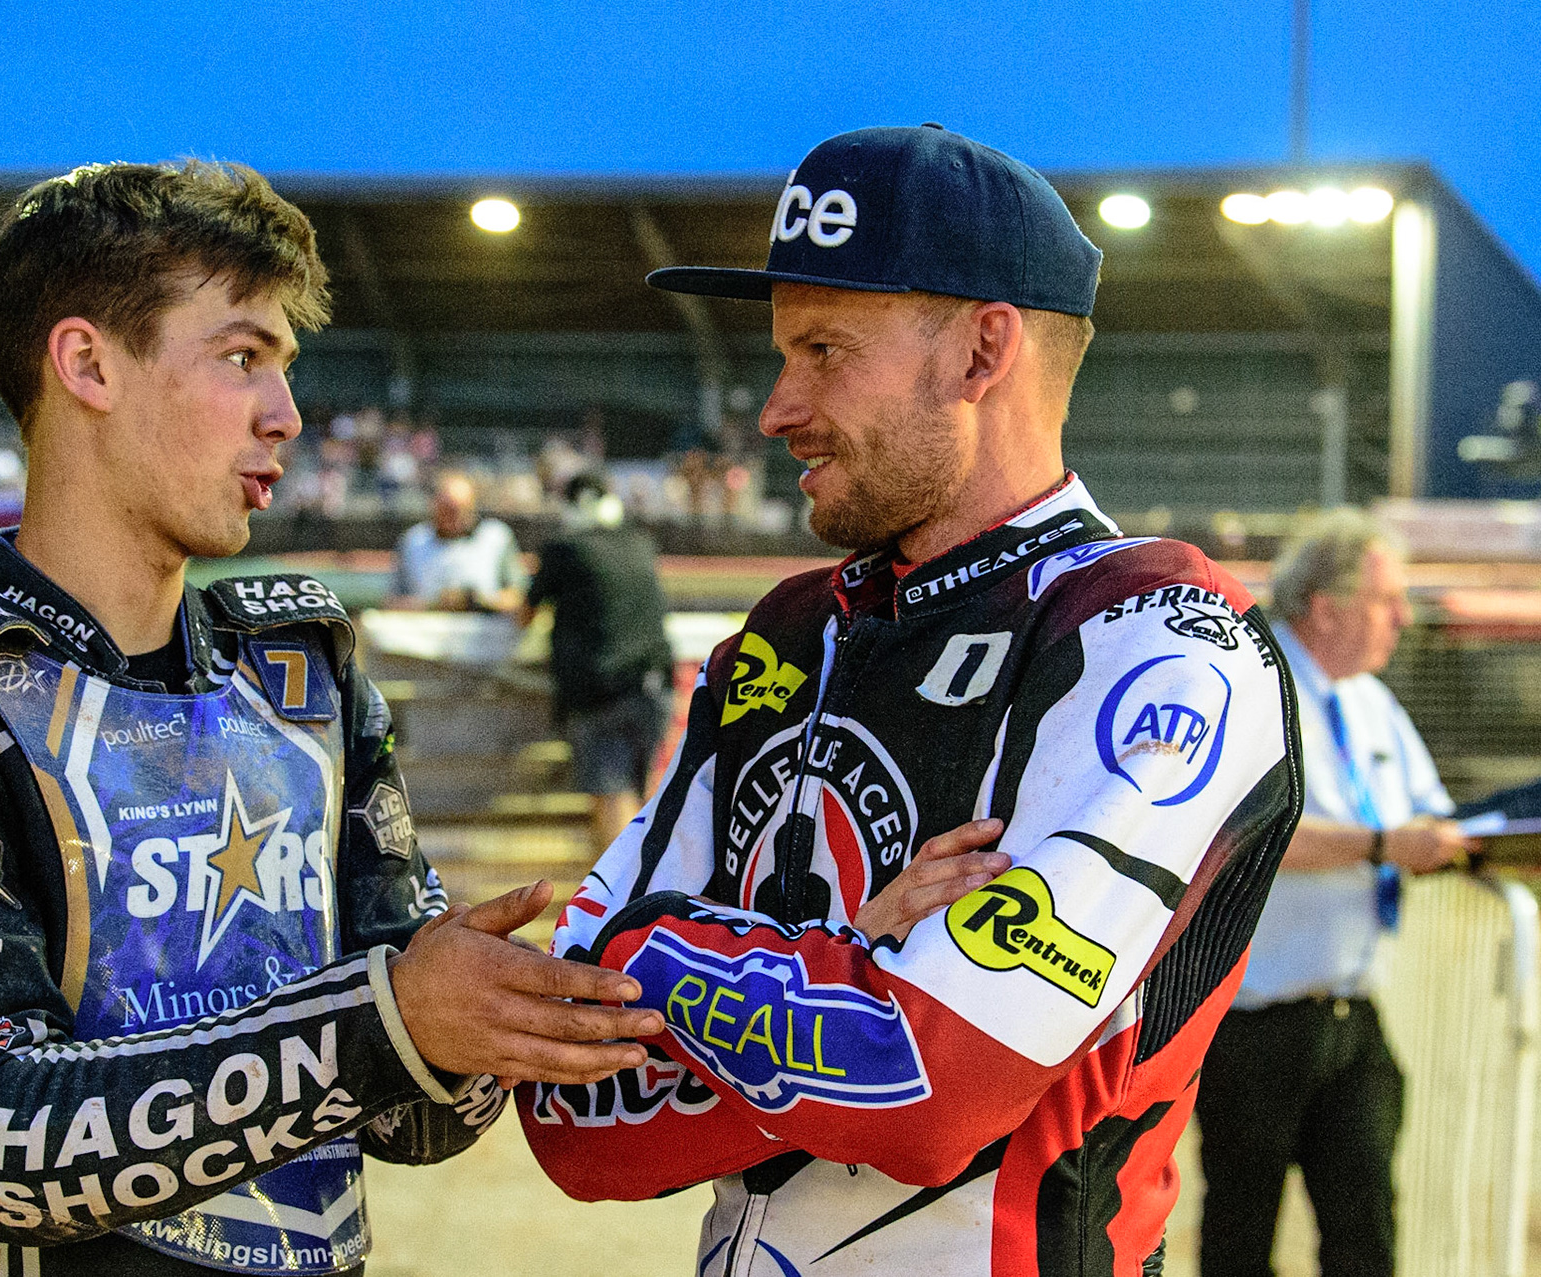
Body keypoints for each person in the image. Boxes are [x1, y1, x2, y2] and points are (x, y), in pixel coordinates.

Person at [0, 161, 662, 1277]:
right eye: (242, 357)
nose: (286, 415)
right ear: (87, 362)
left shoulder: (306, 676)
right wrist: (386, 1022)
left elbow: (412, 1121)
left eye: (285, 368)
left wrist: (534, 1009)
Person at [518, 125, 1302, 1275]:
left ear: (984, 352)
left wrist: (657, 953)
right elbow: (569, 1111)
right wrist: (849, 954)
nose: (777, 407)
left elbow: (934, 1085)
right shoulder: (783, 634)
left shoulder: (1156, 635)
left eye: (825, 348)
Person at [1196, 508, 1475, 1277]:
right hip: (1254, 1023)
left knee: (1366, 1236)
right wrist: (1384, 846)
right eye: (1388, 599)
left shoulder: (1370, 700)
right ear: (1325, 606)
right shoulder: (1250, 687)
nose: (1403, 618)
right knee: (1239, 1240)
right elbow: (1248, 832)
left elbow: (1432, 814)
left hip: (1352, 1015)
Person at [517, 472, 675, 854]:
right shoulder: (639, 541)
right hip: (655, 684)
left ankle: (620, 904)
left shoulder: (565, 547)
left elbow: (525, 613)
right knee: (641, 795)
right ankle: (644, 894)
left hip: (602, 689)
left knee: (611, 794)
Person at [386, 470, 526, 611]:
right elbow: (392, 602)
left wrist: (477, 600)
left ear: (472, 507)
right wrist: (435, 604)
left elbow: (519, 598)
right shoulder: (413, 540)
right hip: (427, 629)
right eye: (447, 510)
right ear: (434, 506)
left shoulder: (497, 537)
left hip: (485, 629)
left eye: (460, 510)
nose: (453, 517)